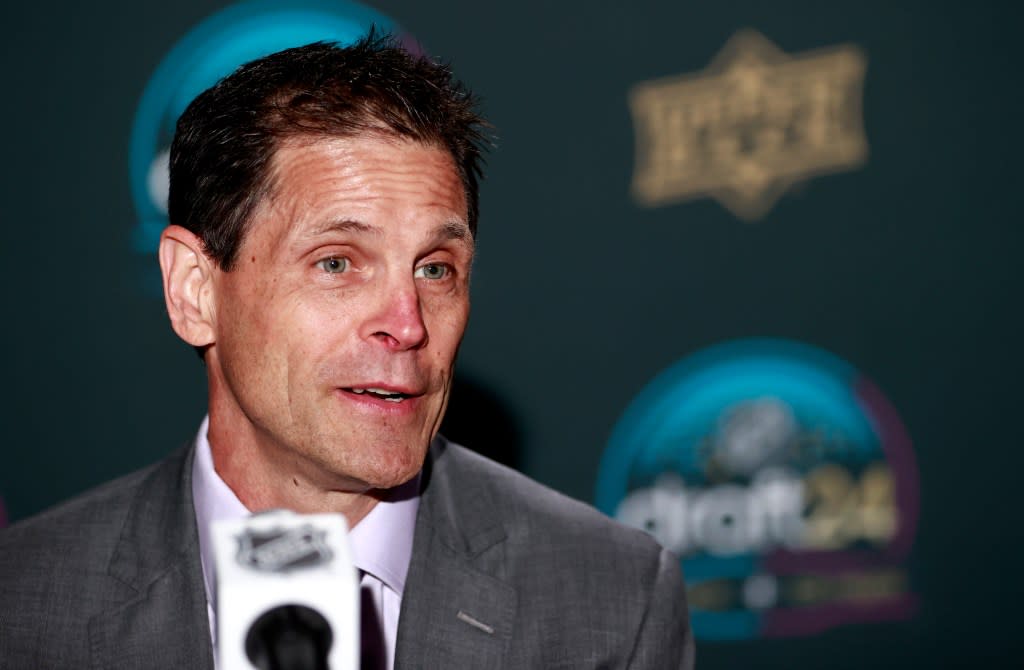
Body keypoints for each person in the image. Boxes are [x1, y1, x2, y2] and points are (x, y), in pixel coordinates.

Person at [0, 35, 694, 669]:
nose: (407, 323)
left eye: (435, 269)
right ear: (194, 291)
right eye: (337, 263)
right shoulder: (22, 603)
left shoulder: (613, 601)